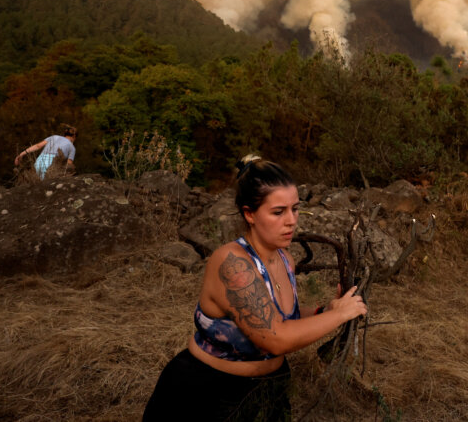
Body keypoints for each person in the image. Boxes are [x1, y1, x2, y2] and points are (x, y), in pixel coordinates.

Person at [143, 155, 367, 421]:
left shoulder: (284, 258)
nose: (291, 221)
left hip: (270, 389)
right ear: (249, 213)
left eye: (295, 209)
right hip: (210, 394)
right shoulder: (232, 263)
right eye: (278, 212)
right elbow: (275, 338)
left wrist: (324, 309)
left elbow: (278, 318)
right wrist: (339, 315)